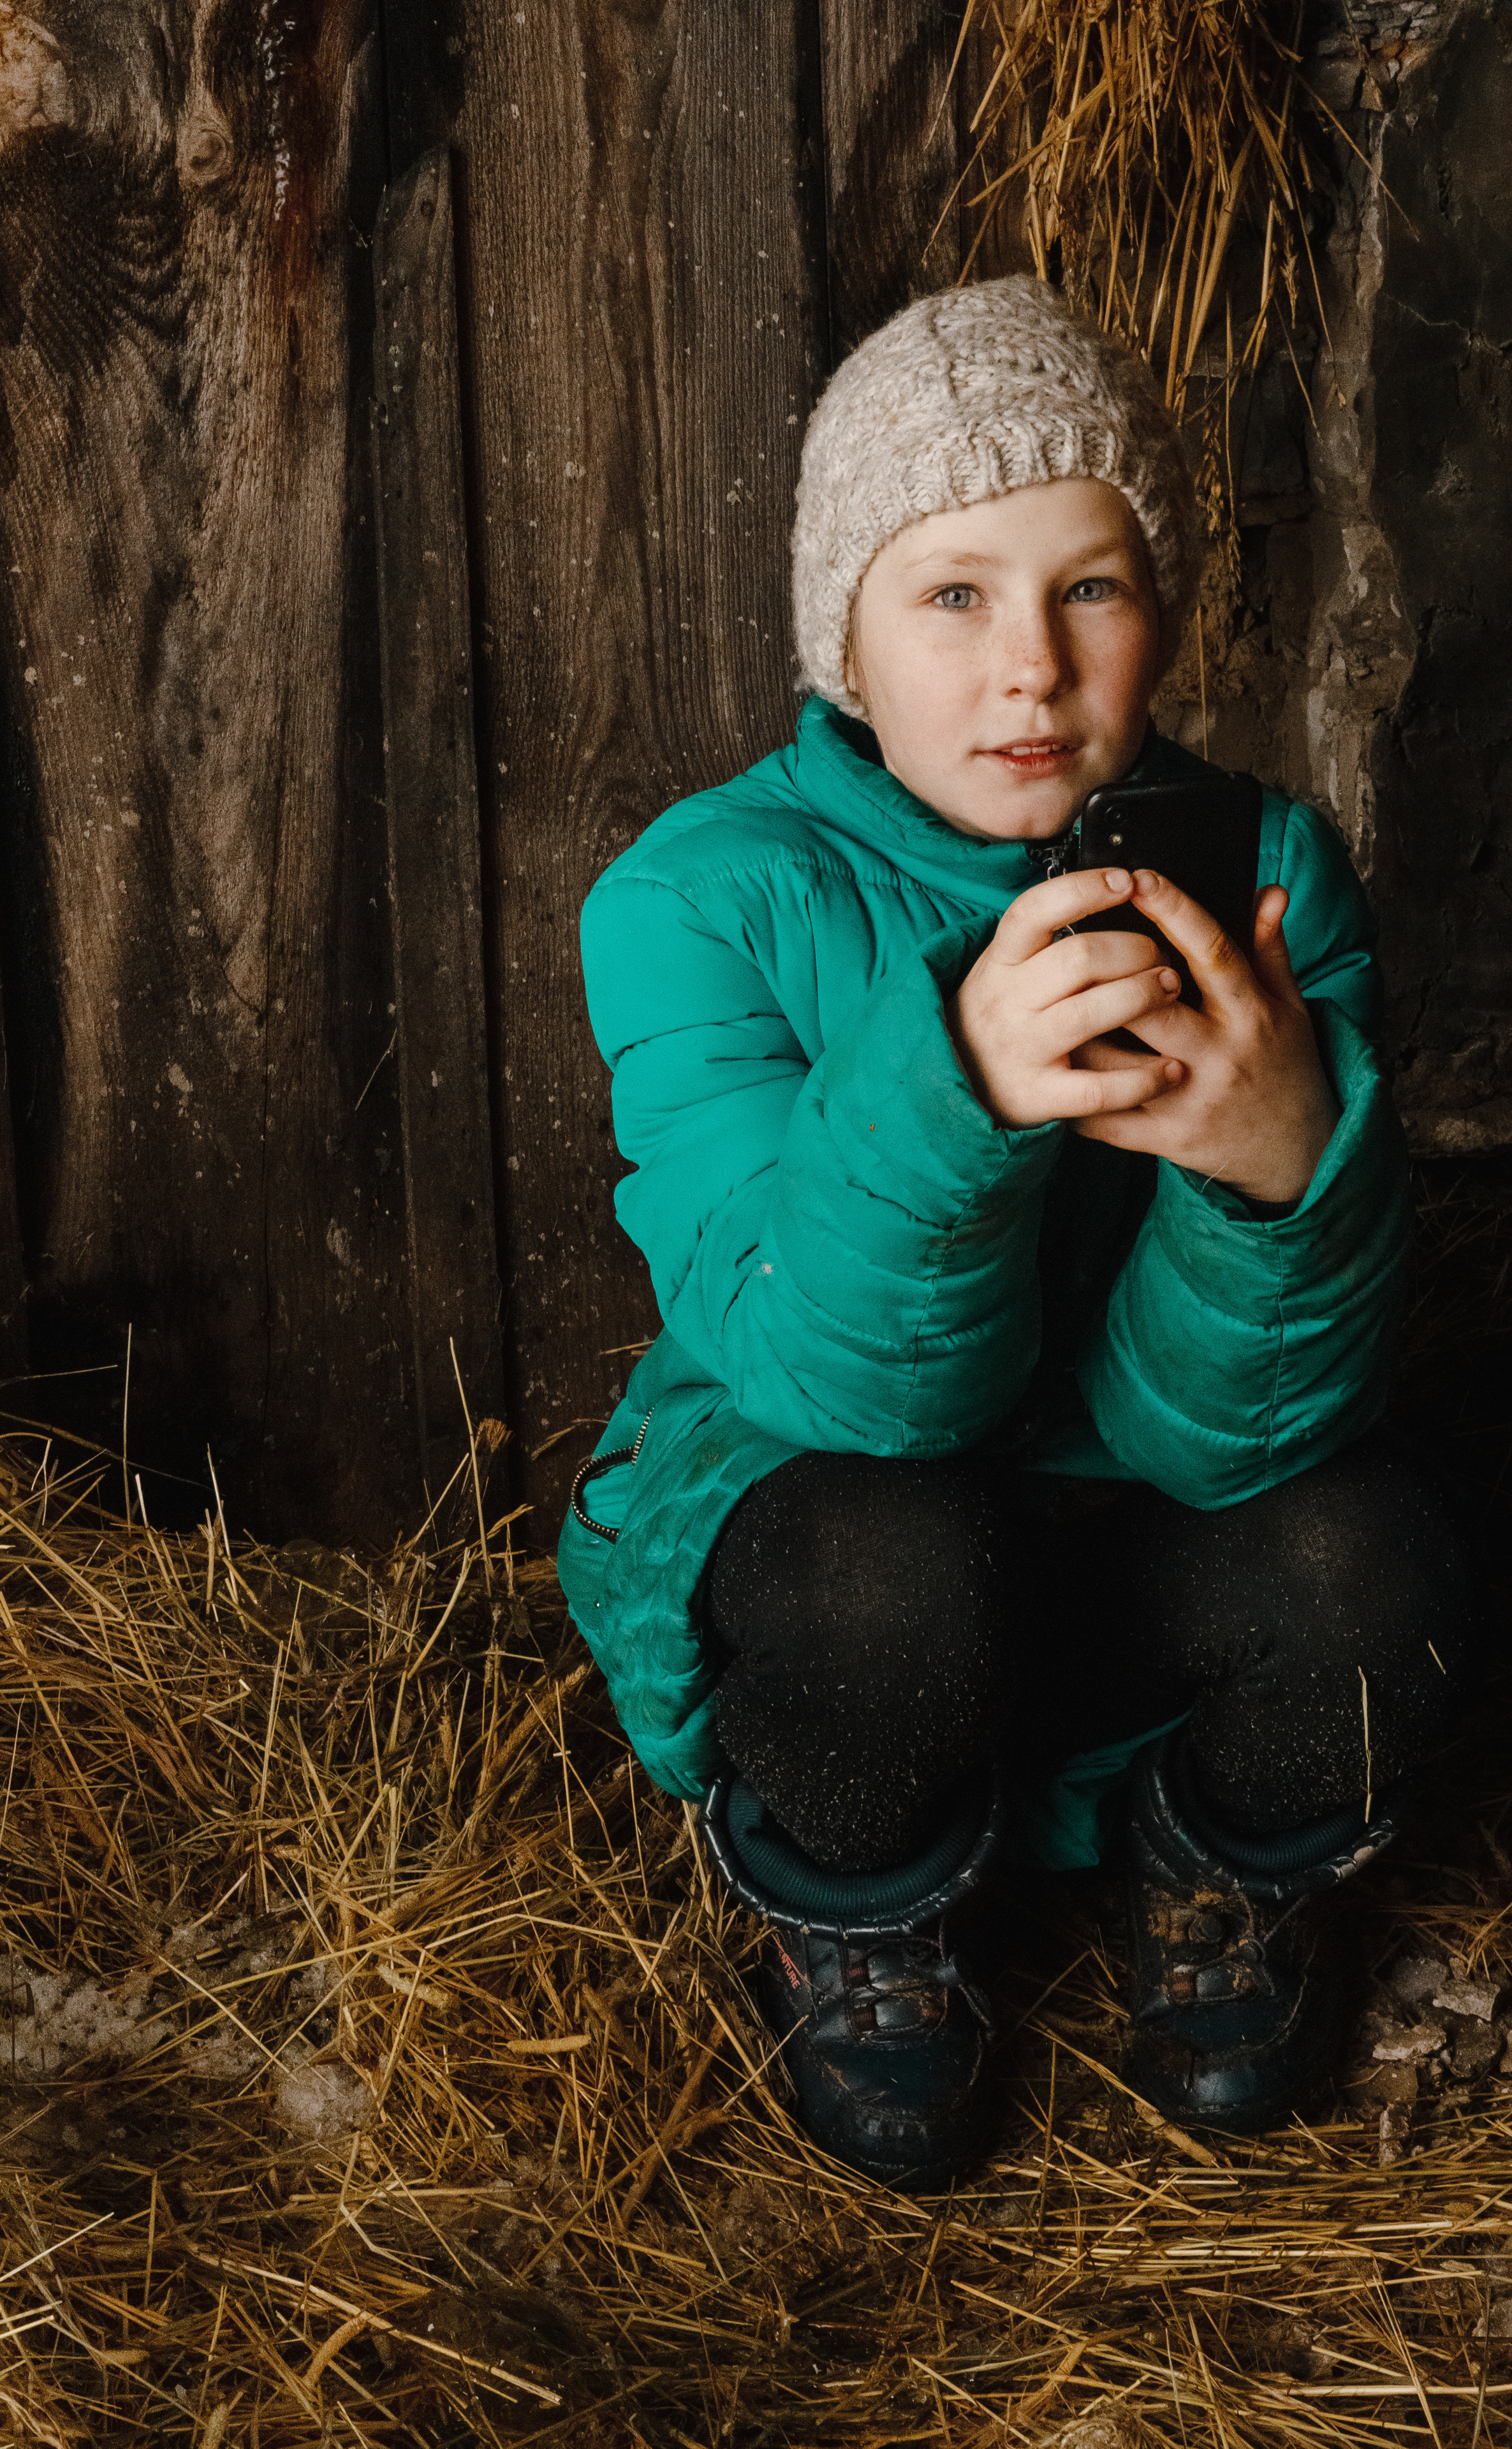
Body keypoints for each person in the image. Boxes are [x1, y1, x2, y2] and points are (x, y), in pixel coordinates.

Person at [555, 278, 1484, 2193]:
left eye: (1093, 588)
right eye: (953, 594)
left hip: (1131, 1527)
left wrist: (1269, 1169)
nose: (1031, 672)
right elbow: (838, 1380)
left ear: (1164, 611)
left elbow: (1227, 1439)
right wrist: (952, 1088)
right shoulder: (702, 902)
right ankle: (865, 1912)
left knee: (1384, 1558)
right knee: (885, 1565)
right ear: (845, 638)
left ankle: (1211, 1867)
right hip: (845, 1500)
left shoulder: (1267, 870)